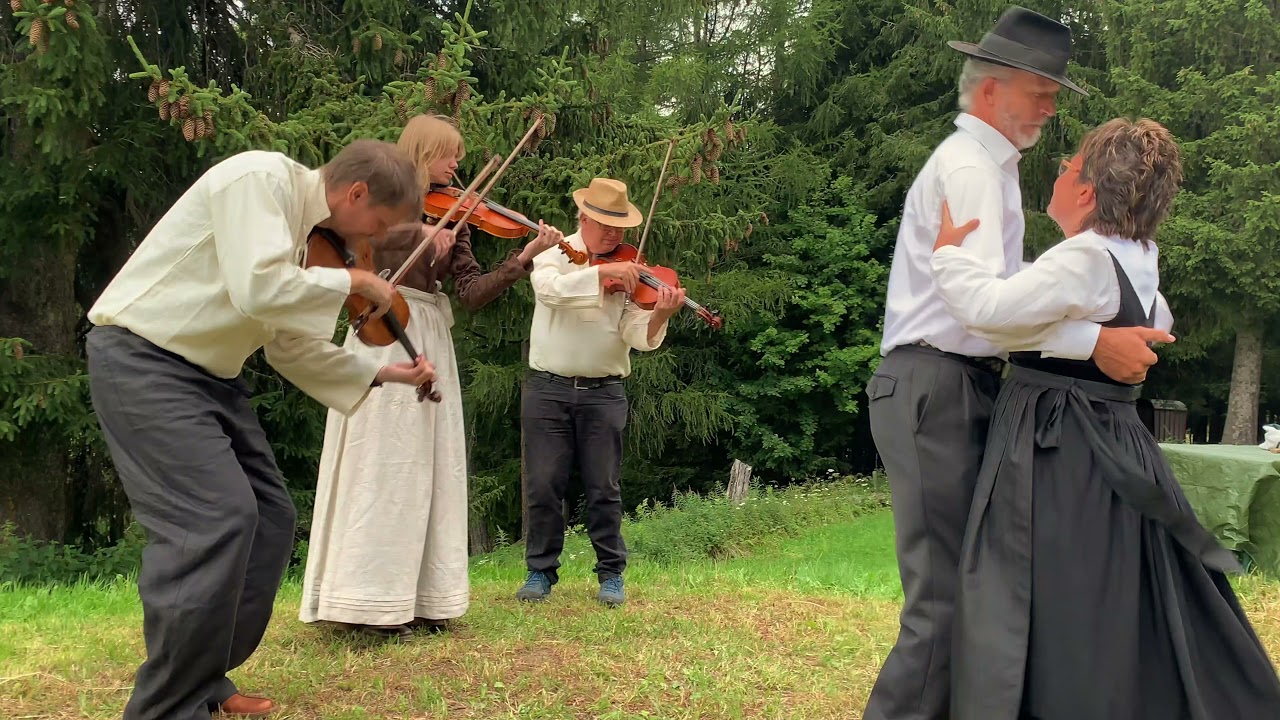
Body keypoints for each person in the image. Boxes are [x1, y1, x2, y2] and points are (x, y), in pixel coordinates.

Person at [861, 8, 1171, 720]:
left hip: (956, 383)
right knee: (944, 600)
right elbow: (985, 312)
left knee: (974, 590)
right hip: (937, 382)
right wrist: (1095, 343)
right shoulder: (972, 170)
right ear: (994, 89)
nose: (1051, 107)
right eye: (1042, 92)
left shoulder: (992, 171)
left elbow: (1012, 299)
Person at [932, 117, 1280, 719]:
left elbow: (987, 313)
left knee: (1055, 582)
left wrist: (947, 253)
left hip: (1059, 437)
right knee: (1107, 580)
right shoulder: (1139, 257)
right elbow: (1131, 325)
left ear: (1087, 191)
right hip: (1109, 433)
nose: (1059, 172)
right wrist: (1084, 338)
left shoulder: (1085, 257)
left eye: (1067, 166)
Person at [84, 140, 437, 720]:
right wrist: (360, 283)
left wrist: (382, 372)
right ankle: (165, 708)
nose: (370, 243)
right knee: (213, 520)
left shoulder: (308, 239)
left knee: (271, 518)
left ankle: (202, 677)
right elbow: (258, 288)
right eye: (376, 225)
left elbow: (289, 346)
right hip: (144, 360)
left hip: (211, 378)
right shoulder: (260, 180)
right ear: (355, 193)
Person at [299, 114, 565, 639]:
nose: (457, 163)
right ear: (424, 152)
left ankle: (424, 599)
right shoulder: (380, 201)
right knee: (382, 465)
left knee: (426, 467)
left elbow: (471, 292)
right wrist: (417, 230)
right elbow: (343, 239)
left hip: (429, 332)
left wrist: (525, 257)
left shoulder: (455, 212)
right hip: (380, 321)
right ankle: (365, 602)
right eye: (450, 153)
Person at [514, 177, 684, 607]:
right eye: (606, 224)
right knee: (543, 485)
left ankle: (611, 574)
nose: (613, 234)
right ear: (584, 217)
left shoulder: (630, 266)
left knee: (604, 487)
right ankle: (539, 572)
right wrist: (601, 272)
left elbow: (634, 332)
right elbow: (549, 293)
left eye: (619, 227)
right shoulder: (554, 251)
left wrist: (659, 317)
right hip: (548, 388)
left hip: (604, 391)